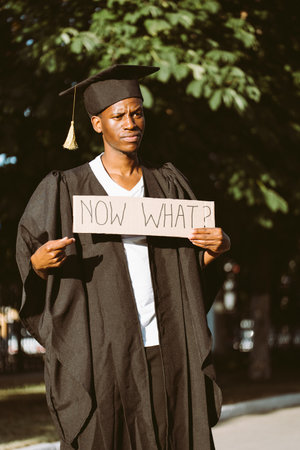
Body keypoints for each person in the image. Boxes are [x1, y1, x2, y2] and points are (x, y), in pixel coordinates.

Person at [16, 64, 230, 450]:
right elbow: (33, 265)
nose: (131, 123)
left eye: (137, 112)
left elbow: (190, 274)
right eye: (119, 115)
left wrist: (216, 251)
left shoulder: (168, 184)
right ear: (98, 124)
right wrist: (38, 266)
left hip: (169, 345)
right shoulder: (65, 190)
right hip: (103, 352)